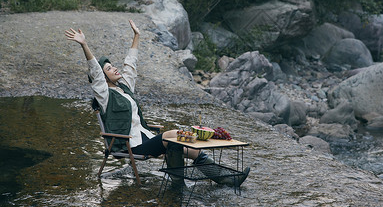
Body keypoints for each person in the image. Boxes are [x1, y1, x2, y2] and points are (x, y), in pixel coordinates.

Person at [64, 20, 249, 188]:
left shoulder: (124, 88)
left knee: (181, 146)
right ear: (103, 77)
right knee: (172, 135)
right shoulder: (104, 96)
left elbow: (131, 65)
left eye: (113, 65)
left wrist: (137, 36)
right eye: (109, 68)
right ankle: (188, 182)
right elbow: (95, 73)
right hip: (130, 145)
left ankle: (224, 178)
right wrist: (84, 45)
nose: (115, 68)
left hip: (144, 139)